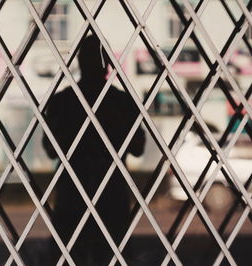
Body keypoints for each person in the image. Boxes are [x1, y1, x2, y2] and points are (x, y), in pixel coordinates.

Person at [42, 34, 145, 265]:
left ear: (78, 61)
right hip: (111, 192)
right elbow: (138, 147)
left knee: (67, 256)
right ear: (108, 63)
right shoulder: (122, 101)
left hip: (73, 193)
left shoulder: (62, 102)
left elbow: (50, 148)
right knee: (113, 256)